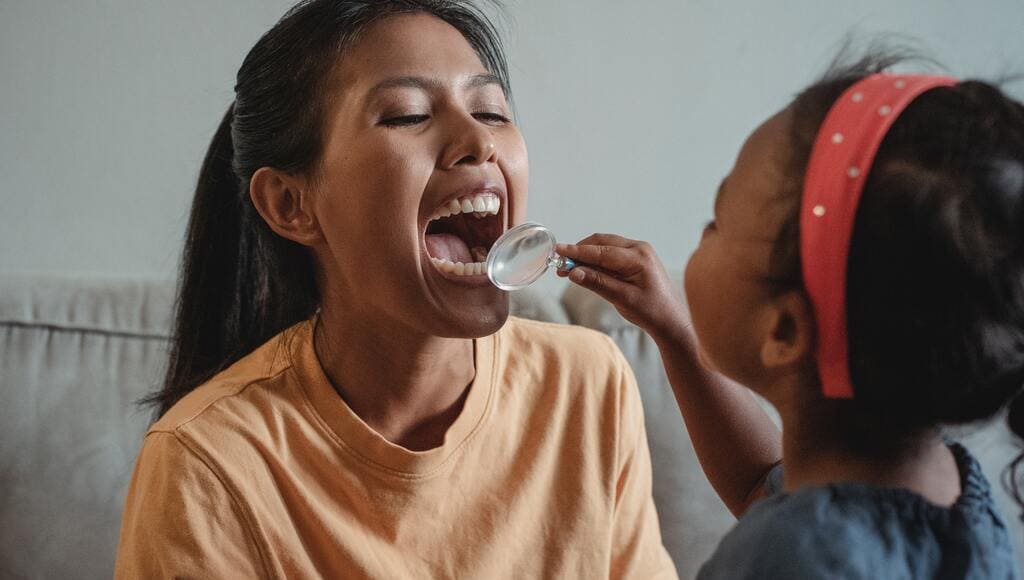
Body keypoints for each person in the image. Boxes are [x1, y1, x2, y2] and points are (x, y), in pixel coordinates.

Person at [114, 1, 676, 578]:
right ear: (291, 204)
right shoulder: (206, 465)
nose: (477, 141)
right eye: (407, 115)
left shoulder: (587, 383)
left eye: (491, 111)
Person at [558, 52, 1024, 578]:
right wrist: (673, 329)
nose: (701, 234)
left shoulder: (788, 559)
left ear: (783, 330)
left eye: (717, 221)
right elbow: (764, 488)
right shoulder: (955, 495)